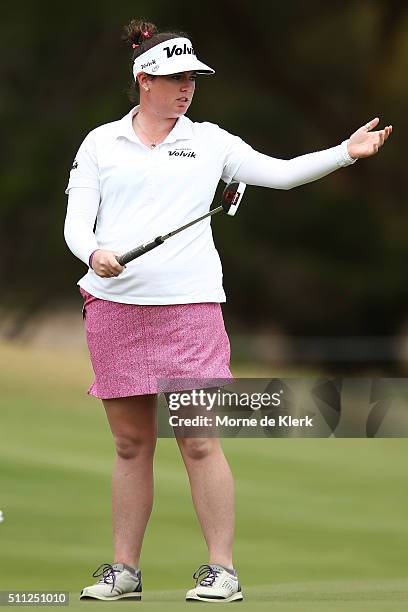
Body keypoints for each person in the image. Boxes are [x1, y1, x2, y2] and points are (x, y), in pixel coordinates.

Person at [64, 18, 392, 604]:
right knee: (130, 444)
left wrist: (346, 152)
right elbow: (76, 224)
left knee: (197, 437)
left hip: (189, 309)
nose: (186, 88)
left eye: (192, 79)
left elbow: (283, 175)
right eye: (174, 78)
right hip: (113, 307)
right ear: (144, 79)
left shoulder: (212, 142)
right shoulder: (99, 144)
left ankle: (222, 570)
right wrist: (95, 253)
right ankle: (124, 571)